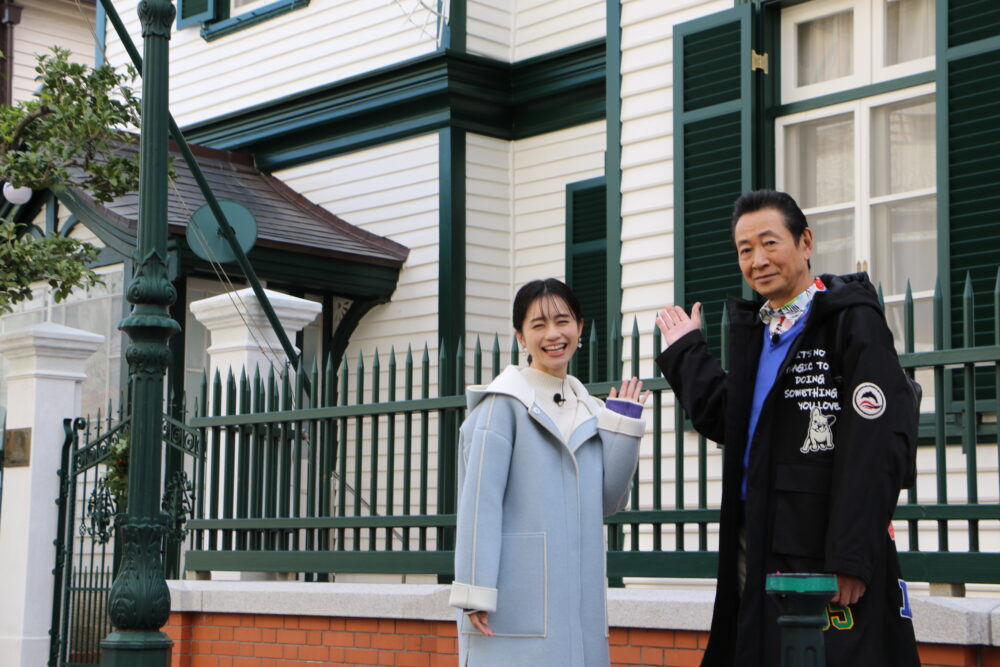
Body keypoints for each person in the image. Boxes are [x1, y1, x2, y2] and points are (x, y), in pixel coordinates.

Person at [655, 190, 919, 667]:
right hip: (753, 536)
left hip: (822, 545)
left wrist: (851, 557)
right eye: (745, 250)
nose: (758, 260)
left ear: (805, 242)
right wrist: (686, 352)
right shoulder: (762, 330)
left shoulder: (851, 322)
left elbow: (875, 445)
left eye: (770, 242)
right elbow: (731, 421)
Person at [450, 278, 649, 666]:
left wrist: (622, 427)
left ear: (580, 327)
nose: (553, 334)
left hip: (579, 604)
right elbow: (480, 502)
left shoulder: (590, 410)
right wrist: (474, 590)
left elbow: (606, 503)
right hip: (513, 600)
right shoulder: (502, 406)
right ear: (520, 337)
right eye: (538, 325)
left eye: (563, 321)